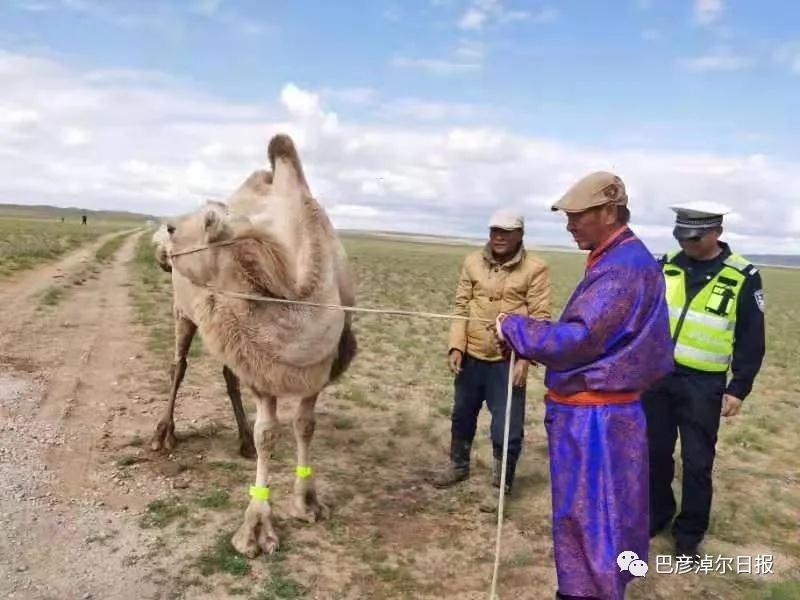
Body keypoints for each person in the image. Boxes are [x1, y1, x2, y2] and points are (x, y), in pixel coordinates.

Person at [495, 171, 674, 600]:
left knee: (591, 515)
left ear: (609, 212)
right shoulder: (625, 259)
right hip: (609, 413)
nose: (570, 226)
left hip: (595, 421)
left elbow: (579, 339)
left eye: (578, 217)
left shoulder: (620, 271)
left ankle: (586, 593)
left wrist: (515, 329)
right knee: (609, 513)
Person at [642, 202, 766, 560]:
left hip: (703, 384)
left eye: (694, 238)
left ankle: (689, 533)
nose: (687, 244)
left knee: (697, 462)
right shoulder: (665, 264)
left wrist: (739, 387)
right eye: (681, 236)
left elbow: (751, 337)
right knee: (655, 453)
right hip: (658, 376)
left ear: (717, 233)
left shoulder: (743, 275)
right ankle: (657, 513)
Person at [430, 209, 551, 511]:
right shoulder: (472, 262)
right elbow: (460, 307)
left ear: (520, 235)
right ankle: (458, 466)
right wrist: (456, 346)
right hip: (471, 356)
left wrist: (524, 358)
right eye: (495, 229)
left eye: (506, 231)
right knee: (461, 415)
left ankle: (501, 485)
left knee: (506, 427)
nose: (499, 236)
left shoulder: (536, 268)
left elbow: (539, 319)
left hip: (506, 361)